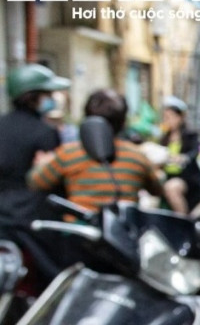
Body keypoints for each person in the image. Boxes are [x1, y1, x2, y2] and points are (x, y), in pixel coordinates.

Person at [28, 89, 162, 214]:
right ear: (123, 122)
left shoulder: (68, 154)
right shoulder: (137, 156)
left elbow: (36, 182)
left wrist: (41, 163)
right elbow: (157, 189)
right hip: (123, 231)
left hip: (80, 231)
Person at [0, 63, 69, 225]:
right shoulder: (45, 132)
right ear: (33, 97)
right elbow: (54, 177)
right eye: (48, 94)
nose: (52, 99)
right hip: (31, 216)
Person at [159, 96, 200, 214]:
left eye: (170, 117)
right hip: (168, 176)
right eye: (166, 117)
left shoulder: (190, 135)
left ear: (180, 117)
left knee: (171, 189)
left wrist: (183, 158)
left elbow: (194, 153)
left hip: (187, 178)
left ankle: (183, 221)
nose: (167, 120)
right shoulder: (164, 137)